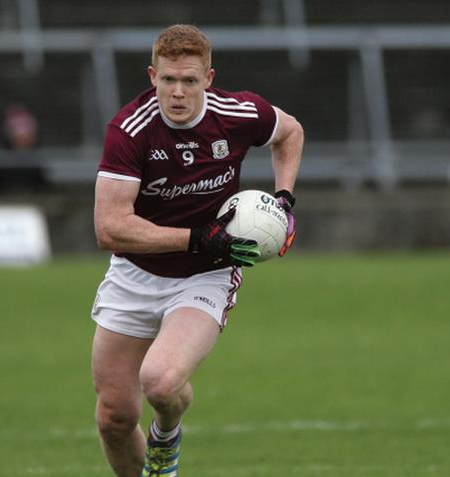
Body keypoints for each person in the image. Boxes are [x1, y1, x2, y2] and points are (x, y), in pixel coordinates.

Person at [91, 24, 303, 477]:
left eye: (189, 80)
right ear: (153, 76)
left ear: (209, 78)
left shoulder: (238, 112)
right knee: (114, 418)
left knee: (160, 382)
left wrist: (284, 200)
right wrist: (194, 236)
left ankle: (165, 436)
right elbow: (110, 228)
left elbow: (291, 132)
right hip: (135, 275)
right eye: (168, 80)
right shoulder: (129, 131)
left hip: (206, 272)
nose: (178, 92)